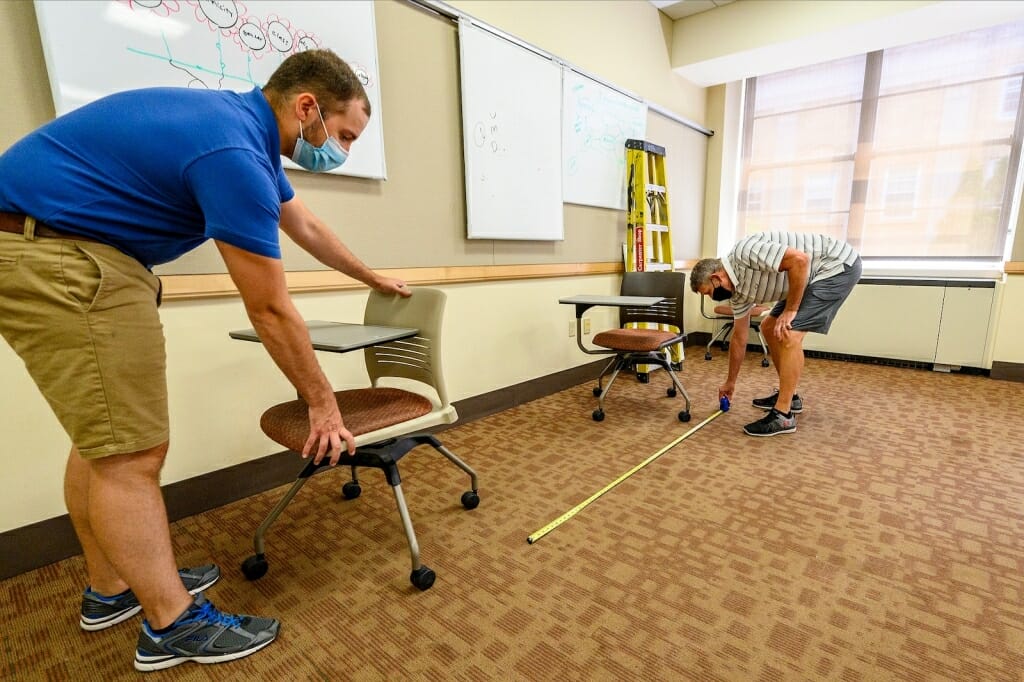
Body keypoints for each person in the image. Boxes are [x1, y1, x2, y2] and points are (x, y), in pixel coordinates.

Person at [0, 49, 408, 672]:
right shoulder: (234, 154)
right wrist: (322, 404)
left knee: (102, 442)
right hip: (62, 257)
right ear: (307, 108)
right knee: (131, 455)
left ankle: (113, 587)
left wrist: (372, 275)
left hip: (49, 246)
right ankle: (170, 624)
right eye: (343, 134)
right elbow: (270, 310)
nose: (343, 151)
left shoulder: (238, 129)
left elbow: (309, 227)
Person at [690, 231, 862, 437]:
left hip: (836, 265)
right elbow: (739, 337)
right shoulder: (737, 294)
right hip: (806, 276)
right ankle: (791, 396)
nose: (712, 298)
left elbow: (800, 260)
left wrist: (791, 311)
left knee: (789, 334)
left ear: (716, 277)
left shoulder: (745, 253)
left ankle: (783, 414)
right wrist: (730, 382)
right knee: (768, 327)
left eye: (708, 292)